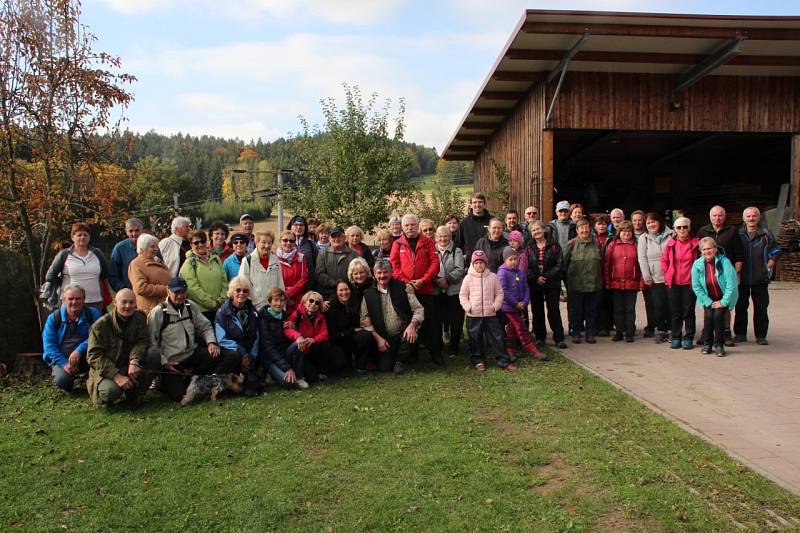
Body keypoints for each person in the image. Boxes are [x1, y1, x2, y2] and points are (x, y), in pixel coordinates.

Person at [147, 277, 240, 402]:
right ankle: (164, 382)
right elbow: (152, 342)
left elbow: (205, 326)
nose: (180, 296)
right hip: (173, 362)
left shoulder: (191, 306)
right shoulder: (158, 313)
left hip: (193, 353)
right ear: (168, 291)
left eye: (183, 292)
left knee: (232, 356)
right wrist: (164, 363)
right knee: (180, 396)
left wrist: (211, 342)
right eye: (176, 292)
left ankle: (209, 382)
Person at [86, 289, 159, 408]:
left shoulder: (139, 317)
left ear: (135, 303)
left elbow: (142, 341)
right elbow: (93, 357)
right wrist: (116, 376)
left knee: (153, 353)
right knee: (110, 392)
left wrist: (135, 360)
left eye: (131, 302)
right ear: (115, 303)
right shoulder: (100, 325)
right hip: (107, 369)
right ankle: (105, 398)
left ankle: (136, 393)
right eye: (124, 302)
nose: (127, 306)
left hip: (128, 364)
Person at [390, 213, 443, 365]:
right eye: (406, 225)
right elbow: (394, 266)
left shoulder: (428, 242)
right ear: (402, 227)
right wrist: (407, 283)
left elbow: (434, 264)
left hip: (425, 289)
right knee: (409, 322)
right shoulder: (397, 244)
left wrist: (423, 280)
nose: (410, 228)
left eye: (412, 225)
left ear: (417, 225)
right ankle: (411, 357)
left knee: (430, 323)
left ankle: (436, 355)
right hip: (407, 291)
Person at [360, 259, 425, 374]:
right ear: (374, 274)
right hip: (383, 338)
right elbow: (364, 319)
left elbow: (419, 309)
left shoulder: (403, 288)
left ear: (391, 272)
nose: (382, 275)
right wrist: (378, 339)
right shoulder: (368, 294)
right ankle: (393, 359)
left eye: (385, 272)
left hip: (402, 333)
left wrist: (412, 325)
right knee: (385, 368)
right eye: (379, 273)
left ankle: (400, 361)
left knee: (411, 335)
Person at [459, 250, 515, 373]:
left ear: (486, 263)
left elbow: (499, 293)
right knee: (475, 338)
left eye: (482, 262)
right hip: (473, 314)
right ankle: (478, 360)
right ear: (473, 264)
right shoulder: (468, 278)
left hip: (491, 313)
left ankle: (503, 360)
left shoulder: (493, 277)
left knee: (497, 337)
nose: (479, 265)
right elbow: (463, 295)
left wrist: (495, 306)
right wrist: (468, 307)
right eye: (477, 263)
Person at [734, 206, 781, 345]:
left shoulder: (766, 234)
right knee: (740, 307)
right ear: (744, 219)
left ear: (758, 218)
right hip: (741, 278)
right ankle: (740, 334)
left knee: (761, 308)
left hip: (760, 277)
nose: (751, 218)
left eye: (754, 216)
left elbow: (777, 249)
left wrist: (772, 260)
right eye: (748, 216)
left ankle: (761, 336)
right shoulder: (738, 234)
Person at [697, 205, 743, 346]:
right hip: (707, 273)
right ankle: (707, 332)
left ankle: (726, 333)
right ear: (710, 216)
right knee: (708, 304)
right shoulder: (703, 230)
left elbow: (739, 254)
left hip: (726, 273)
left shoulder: (732, 231)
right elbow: (698, 254)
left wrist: (736, 274)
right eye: (714, 215)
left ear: (724, 216)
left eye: (720, 215)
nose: (717, 218)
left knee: (726, 304)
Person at [41, 284, 101, 391]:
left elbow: (97, 337)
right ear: (64, 300)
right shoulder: (53, 318)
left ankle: (89, 376)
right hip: (61, 358)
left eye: (78, 298)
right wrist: (65, 363)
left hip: (87, 356)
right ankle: (67, 375)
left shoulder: (93, 314)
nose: (74, 302)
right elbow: (49, 346)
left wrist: (79, 350)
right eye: (70, 299)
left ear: (84, 299)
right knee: (63, 381)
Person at [44, 222, 110, 313]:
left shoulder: (97, 253)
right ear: (72, 237)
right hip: (71, 302)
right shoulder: (64, 254)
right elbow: (50, 276)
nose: (82, 237)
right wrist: (64, 284)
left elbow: (105, 274)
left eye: (85, 235)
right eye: (79, 235)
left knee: (94, 327)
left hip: (95, 301)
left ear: (89, 237)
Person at [284, 291, 347, 381]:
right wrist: (298, 337)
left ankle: (321, 370)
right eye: (311, 301)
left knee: (325, 345)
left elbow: (324, 333)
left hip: (312, 348)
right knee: (312, 378)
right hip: (301, 350)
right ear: (305, 302)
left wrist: (313, 340)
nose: (313, 304)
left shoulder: (320, 317)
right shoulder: (297, 313)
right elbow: (287, 329)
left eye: (317, 303)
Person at [692, 238, 739, 357]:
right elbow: (696, 286)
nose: (707, 251)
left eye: (709, 248)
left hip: (723, 297)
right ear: (700, 251)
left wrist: (723, 302)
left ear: (715, 249)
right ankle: (707, 344)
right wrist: (707, 301)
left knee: (718, 316)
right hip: (708, 297)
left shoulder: (725, 262)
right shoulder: (697, 264)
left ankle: (719, 345)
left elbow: (731, 284)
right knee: (708, 317)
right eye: (704, 249)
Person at [214, 277, 261, 393]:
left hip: (248, 354)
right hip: (232, 353)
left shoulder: (252, 311)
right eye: (238, 290)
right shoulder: (222, 313)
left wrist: (251, 356)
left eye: (245, 291)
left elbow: (257, 336)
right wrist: (242, 353)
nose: (241, 293)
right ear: (232, 292)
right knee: (234, 357)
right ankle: (220, 382)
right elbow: (222, 340)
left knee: (253, 390)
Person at [661, 217, 700, 350]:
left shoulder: (696, 243)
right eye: (679, 227)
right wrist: (667, 275)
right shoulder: (670, 244)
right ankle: (676, 337)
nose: (682, 230)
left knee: (689, 311)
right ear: (674, 229)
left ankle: (688, 337)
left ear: (689, 228)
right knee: (675, 312)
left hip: (690, 283)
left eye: (685, 227)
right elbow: (664, 261)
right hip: (674, 282)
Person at [258, 288, 308, 389]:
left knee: (298, 343)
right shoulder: (263, 319)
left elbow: (293, 335)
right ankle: (271, 374)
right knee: (288, 383)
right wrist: (287, 368)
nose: (279, 303)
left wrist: (294, 326)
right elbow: (269, 348)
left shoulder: (286, 316)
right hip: (270, 358)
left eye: (282, 300)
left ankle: (299, 377)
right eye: (276, 300)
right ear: (270, 301)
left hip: (285, 353)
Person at [497, 247, 543, 359]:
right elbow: (504, 290)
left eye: (515, 259)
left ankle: (510, 349)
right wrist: (515, 303)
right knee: (521, 327)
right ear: (505, 260)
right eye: (510, 259)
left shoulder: (520, 272)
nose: (513, 262)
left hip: (520, 306)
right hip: (509, 307)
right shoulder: (502, 272)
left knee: (512, 329)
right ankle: (530, 347)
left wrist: (525, 301)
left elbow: (526, 287)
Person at [563, 219, 603, 345]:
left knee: (591, 311)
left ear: (590, 229)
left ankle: (590, 333)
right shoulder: (572, 244)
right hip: (576, 285)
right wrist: (565, 284)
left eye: (586, 228)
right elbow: (564, 264)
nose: (584, 230)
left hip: (593, 284)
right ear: (577, 230)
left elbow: (601, 263)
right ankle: (576, 333)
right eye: (582, 228)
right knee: (576, 311)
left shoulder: (596, 243)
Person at [638, 212, 675, 344]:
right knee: (658, 306)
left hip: (671, 277)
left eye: (653, 222)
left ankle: (672, 330)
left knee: (671, 305)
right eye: (648, 223)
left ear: (659, 222)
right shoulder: (644, 238)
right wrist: (646, 276)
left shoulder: (672, 235)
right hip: (655, 277)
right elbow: (642, 258)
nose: (651, 225)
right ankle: (661, 330)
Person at [527, 220, 565, 347]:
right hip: (535, 283)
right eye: (533, 230)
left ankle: (559, 338)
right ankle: (540, 337)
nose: (536, 232)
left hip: (552, 283)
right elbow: (526, 266)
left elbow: (559, 264)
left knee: (553, 309)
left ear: (544, 230)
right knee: (537, 310)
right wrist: (536, 277)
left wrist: (546, 276)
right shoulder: (528, 247)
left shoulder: (554, 245)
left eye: (538, 229)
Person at [604, 221, 643, 342]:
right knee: (618, 309)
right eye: (623, 231)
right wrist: (607, 281)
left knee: (630, 309)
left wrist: (641, 282)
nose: (626, 233)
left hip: (632, 283)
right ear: (619, 232)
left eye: (629, 231)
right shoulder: (613, 244)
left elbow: (642, 264)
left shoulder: (637, 245)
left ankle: (629, 332)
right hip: (616, 282)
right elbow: (607, 264)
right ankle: (619, 332)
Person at [326, 280, 374, 373]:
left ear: (350, 290)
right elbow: (334, 335)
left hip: (350, 339)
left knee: (365, 335)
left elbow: (359, 321)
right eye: (341, 290)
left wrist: (366, 321)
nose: (344, 293)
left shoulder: (354, 303)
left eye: (346, 289)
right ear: (336, 292)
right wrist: (352, 330)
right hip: (337, 342)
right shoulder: (330, 307)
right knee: (340, 366)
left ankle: (360, 365)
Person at [180, 230, 228, 321]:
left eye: (202, 241)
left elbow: (224, 280)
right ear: (191, 245)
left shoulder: (215, 259)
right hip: (201, 312)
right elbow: (192, 288)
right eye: (196, 242)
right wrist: (211, 303)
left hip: (220, 309)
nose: (200, 244)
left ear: (207, 242)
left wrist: (221, 300)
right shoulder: (189, 264)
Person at [434, 225, 465, 358]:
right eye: (440, 236)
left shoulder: (456, 251)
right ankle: (439, 347)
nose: (443, 239)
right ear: (436, 238)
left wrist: (446, 279)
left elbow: (459, 269)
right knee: (437, 321)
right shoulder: (431, 250)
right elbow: (428, 267)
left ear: (450, 236)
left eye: (446, 236)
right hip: (436, 291)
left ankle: (454, 348)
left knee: (455, 321)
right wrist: (437, 280)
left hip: (453, 291)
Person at [237, 230, 284, 310]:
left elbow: (280, 285)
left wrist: (282, 307)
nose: (266, 246)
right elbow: (242, 285)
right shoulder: (247, 261)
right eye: (263, 242)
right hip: (254, 308)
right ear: (257, 243)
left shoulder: (275, 260)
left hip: (273, 308)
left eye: (269, 243)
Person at [128, 233, 171, 315]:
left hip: (165, 306)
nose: (156, 249)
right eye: (152, 246)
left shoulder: (157, 260)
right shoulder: (136, 264)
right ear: (142, 248)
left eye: (156, 246)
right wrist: (166, 289)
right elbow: (141, 288)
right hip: (151, 309)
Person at [316, 226, 357, 300]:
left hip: (348, 295)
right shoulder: (323, 254)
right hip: (327, 295)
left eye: (339, 236)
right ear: (329, 239)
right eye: (333, 237)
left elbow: (357, 274)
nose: (336, 239)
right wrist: (336, 284)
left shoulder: (353, 254)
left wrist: (344, 287)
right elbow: (319, 274)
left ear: (345, 238)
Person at [276, 230, 309, 315]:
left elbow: (304, 277)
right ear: (280, 241)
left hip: (297, 299)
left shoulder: (301, 257)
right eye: (285, 240)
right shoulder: (274, 258)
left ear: (295, 242)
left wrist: (290, 293)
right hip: (279, 298)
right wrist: (284, 295)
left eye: (291, 241)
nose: (288, 243)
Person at [108, 218, 144, 291]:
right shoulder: (119, 248)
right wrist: (123, 289)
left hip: (149, 294)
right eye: (131, 231)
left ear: (142, 230)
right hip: (129, 295)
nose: (134, 234)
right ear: (126, 232)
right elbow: (113, 275)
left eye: (137, 230)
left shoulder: (152, 245)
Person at [592, 214, 613, 336]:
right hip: (595, 274)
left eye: (604, 224)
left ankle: (606, 326)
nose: (601, 226)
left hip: (608, 273)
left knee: (607, 301)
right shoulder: (591, 238)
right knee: (596, 301)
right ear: (594, 226)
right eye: (599, 224)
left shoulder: (612, 238)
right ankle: (595, 325)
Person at [457, 193, 493, 261]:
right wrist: (464, 257)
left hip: (490, 261)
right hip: (470, 262)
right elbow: (458, 243)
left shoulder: (492, 221)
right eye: (474, 202)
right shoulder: (464, 223)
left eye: (480, 202)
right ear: (471, 205)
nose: (477, 205)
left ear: (484, 204)